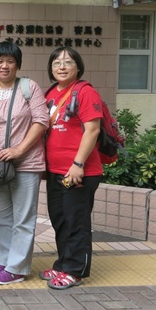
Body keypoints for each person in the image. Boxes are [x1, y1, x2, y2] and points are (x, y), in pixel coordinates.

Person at [0, 41, 49, 285]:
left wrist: (19, 149)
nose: (5, 65)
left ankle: (18, 268)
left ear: (17, 64)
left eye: (10, 61)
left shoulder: (28, 87)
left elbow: (42, 121)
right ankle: (6, 260)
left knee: (23, 218)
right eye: (0, 61)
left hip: (26, 163)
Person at [42, 46, 103, 290]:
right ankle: (63, 264)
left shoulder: (85, 92)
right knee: (60, 220)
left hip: (79, 171)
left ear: (78, 67)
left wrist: (78, 164)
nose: (62, 67)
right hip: (55, 171)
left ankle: (75, 270)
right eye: (57, 63)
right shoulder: (50, 94)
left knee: (76, 221)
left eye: (68, 62)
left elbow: (93, 130)